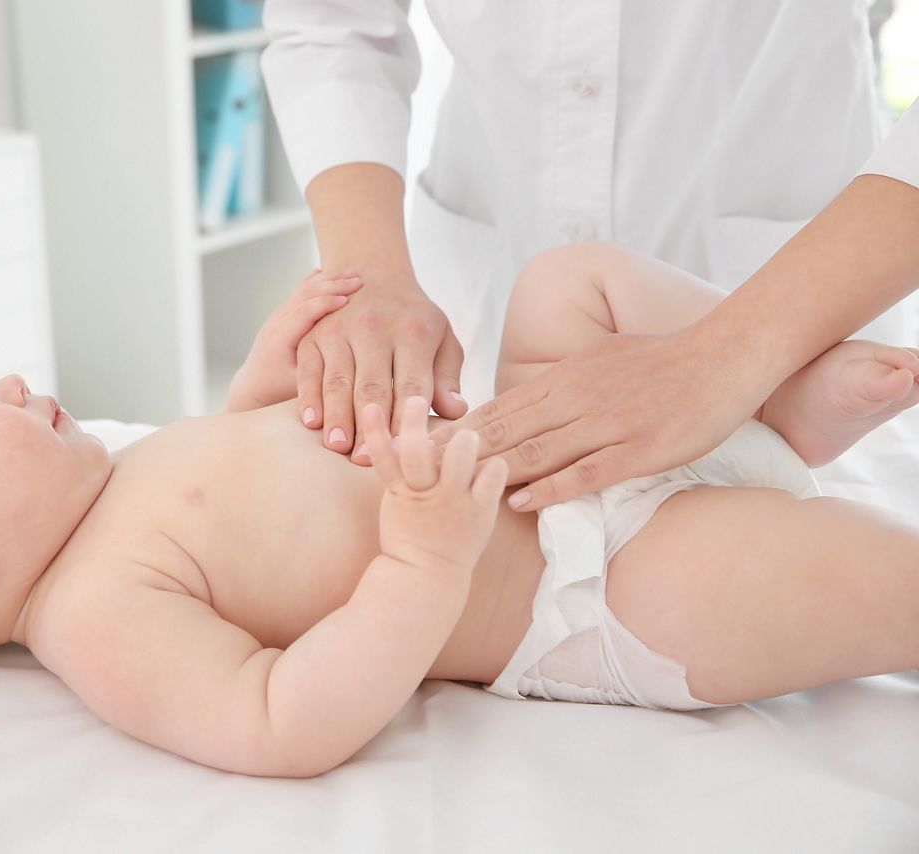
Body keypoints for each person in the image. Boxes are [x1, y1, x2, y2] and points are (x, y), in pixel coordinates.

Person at [0, 252, 919, 778]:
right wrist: (419, 563)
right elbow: (280, 718)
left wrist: (268, 378)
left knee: (565, 280)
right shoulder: (94, 616)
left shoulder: (117, 474)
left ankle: (767, 389)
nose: (5, 383)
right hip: (588, 584)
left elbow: (256, 478)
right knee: (867, 582)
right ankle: (780, 448)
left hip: (564, 427)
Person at [261, 0, 919, 510]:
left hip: (792, 270)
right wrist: (370, 276)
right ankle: (787, 404)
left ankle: (779, 397)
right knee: (712, 557)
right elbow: (332, 23)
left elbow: (261, 413)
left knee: (563, 291)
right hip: (490, 310)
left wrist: (733, 354)